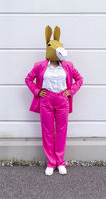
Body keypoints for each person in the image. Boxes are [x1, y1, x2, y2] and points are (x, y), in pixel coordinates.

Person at [25, 25, 83, 176]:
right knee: (48, 131)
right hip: (46, 100)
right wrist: (37, 92)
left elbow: (79, 79)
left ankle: (60, 161)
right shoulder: (40, 66)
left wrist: (70, 92)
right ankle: (51, 162)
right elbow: (28, 79)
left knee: (62, 131)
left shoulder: (68, 66)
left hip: (62, 100)